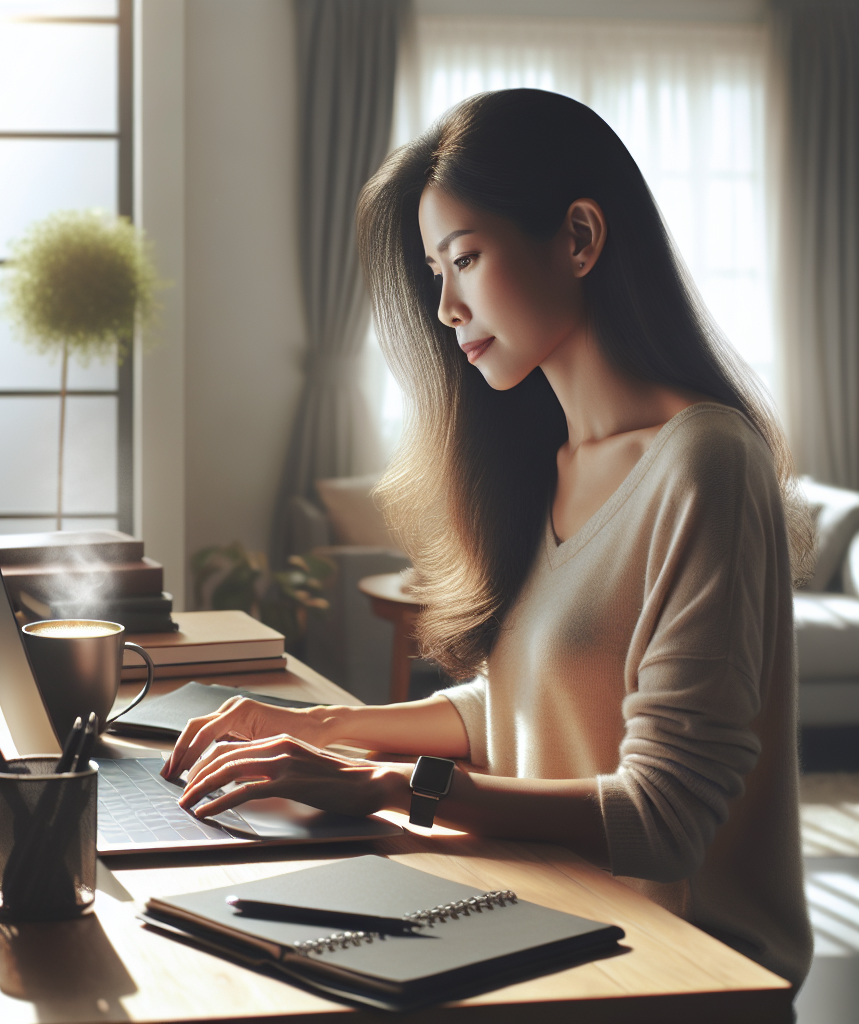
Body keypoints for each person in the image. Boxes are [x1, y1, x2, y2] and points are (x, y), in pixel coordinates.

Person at [162, 90, 814, 988]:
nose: (444, 307)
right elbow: (526, 704)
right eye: (435, 271)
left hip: (674, 967)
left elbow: (666, 817)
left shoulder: (705, 462)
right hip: (538, 911)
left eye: (464, 258)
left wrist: (397, 788)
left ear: (580, 238)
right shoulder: (547, 464)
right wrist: (319, 726)